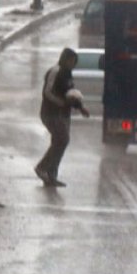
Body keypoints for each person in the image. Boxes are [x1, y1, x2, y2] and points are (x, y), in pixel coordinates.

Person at [35, 48, 89, 187]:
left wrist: (80, 107)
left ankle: (51, 175)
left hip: (64, 114)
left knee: (59, 141)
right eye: (71, 61)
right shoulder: (55, 71)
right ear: (64, 59)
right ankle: (42, 167)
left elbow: (70, 92)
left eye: (74, 62)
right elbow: (47, 92)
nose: (73, 64)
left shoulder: (68, 74)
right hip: (51, 113)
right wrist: (61, 103)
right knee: (62, 139)